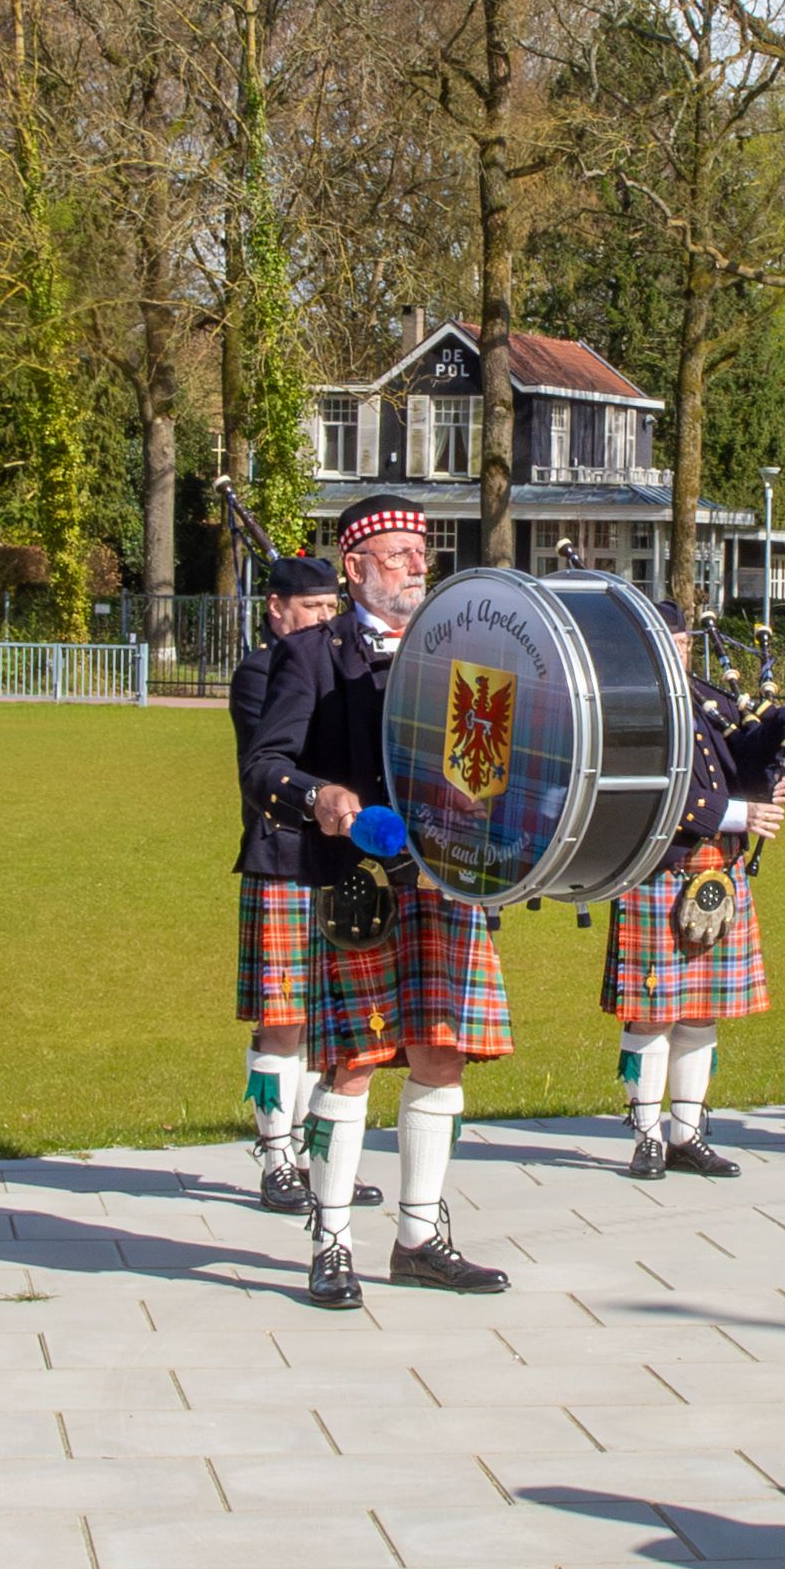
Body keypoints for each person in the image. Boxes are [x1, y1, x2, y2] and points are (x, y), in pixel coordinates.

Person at [244, 499, 511, 1306]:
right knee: (353, 1063)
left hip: (449, 881)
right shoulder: (309, 655)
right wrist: (317, 792)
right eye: (396, 554)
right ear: (354, 566)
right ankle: (329, 1242)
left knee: (440, 1054)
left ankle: (420, 1238)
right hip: (359, 889)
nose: (414, 566)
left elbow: (490, 763)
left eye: (420, 553)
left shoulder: (466, 653)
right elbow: (262, 766)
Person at [606, 620, 785, 1183]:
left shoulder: (711, 698)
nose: (679, 651)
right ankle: (646, 1137)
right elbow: (644, 785)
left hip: (719, 869)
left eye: (685, 642)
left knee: (700, 1008)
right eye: (666, 642)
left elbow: (747, 758)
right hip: (659, 867)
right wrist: (735, 814)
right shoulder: (626, 704)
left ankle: (686, 1135)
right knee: (651, 1011)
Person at [224, 551, 349, 1212]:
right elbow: (284, 758)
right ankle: (276, 1157)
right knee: (283, 1021)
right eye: (311, 610)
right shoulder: (259, 672)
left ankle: (319, 1158)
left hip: (340, 863)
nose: (324, 621)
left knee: (334, 1018)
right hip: (284, 857)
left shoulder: (342, 666)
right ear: (275, 610)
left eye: (332, 609)